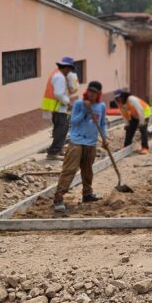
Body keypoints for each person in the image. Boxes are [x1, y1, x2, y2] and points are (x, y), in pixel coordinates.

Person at [53, 81, 109, 213]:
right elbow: (73, 122)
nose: (91, 94)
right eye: (89, 91)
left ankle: (87, 194)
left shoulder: (101, 106)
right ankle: (58, 198)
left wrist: (105, 139)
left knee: (88, 170)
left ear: (98, 94)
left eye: (94, 92)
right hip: (76, 142)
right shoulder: (79, 104)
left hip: (91, 143)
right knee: (70, 170)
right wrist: (85, 110)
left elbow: (102, 124)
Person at [42, 56, 75, 160]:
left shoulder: (56, 74)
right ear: (66, 67)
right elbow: (59, 94)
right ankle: (54, 152)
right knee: (61, 129)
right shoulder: (59, 77)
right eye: (70, 70)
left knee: (59, 129)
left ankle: (57, 149)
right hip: (59, 107)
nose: (69, 72)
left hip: (56, 107)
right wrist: (68, 103)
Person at [113, 89, 152, 154]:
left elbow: (140, 110)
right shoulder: (119, 102)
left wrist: (141, 122)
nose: (118, 99)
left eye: (119, 97)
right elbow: (124, 113)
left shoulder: (131, 99)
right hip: (135, 114)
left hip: (144, 113)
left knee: (143, 129)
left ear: (123, 96)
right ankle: (126, 146)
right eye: (117, 98)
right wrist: (127, 124)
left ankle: (145, 148)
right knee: (129, 129)